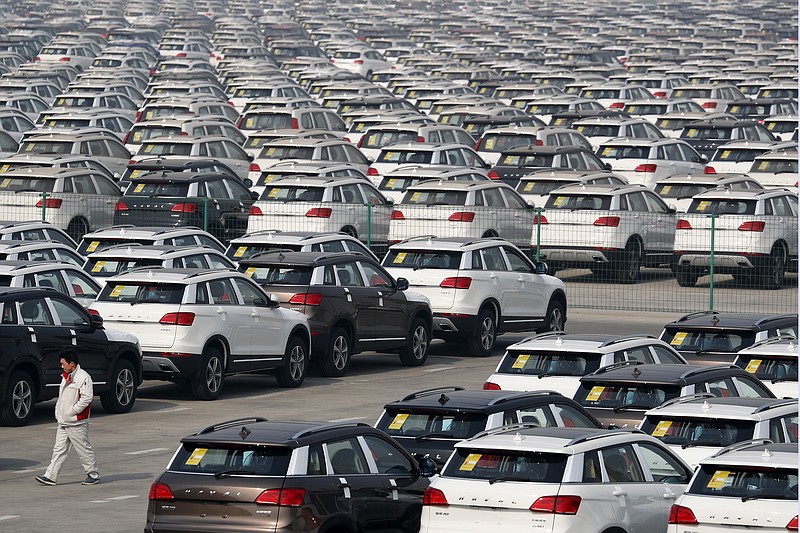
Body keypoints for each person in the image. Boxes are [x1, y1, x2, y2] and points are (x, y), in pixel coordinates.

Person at [35, 351, 100, 486]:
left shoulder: (83, 378)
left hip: (76, 422)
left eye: (63, 363)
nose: (62, 366)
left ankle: (93, 474)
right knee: (58, 450)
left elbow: (86, 398)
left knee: (83, 448)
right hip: (64, 421)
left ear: (72, 364)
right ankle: (50, 476)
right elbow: (63, 398)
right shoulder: (65, 376)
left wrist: (73, 411)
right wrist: (60, 413)